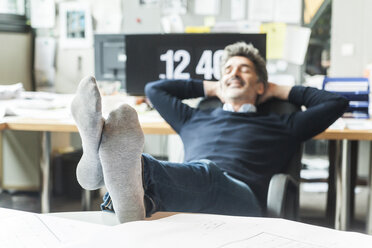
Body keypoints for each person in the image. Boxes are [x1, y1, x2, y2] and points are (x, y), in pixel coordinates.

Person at [71, 42, 348, 223]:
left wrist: (277, 90)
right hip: (189, 185)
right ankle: (109, 175)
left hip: (243, 198)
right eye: (228, 70)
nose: (234, 73)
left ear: (262, 86)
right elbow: (155, 89)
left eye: (244, 70)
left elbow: (337, 102)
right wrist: (214, 87)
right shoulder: (194, 117)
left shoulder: (284, 124)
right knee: (186, 174)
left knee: (208, 172)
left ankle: (101, 170)